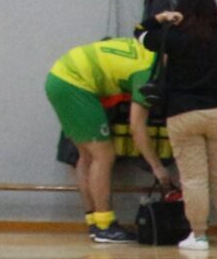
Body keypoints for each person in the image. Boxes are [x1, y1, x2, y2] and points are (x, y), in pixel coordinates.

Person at [140, 0, 217, 253]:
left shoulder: (174, 38)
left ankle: (199, 236)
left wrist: (162, 18)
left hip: (182, 111)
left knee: (194, 179)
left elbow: (140, 35)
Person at [44, 33, 157, 240]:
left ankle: (95, 221)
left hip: (62, 77)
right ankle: (105, 225)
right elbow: (136, 127)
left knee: (86, 156)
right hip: (74, 84)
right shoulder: (147, 72)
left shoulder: (145, 48)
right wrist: (157, 167)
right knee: (103, 156)